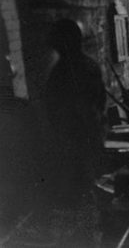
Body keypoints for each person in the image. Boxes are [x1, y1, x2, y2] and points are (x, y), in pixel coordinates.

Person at [44, 19, 106, 244]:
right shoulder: (89, 66)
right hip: (87, 140)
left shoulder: (63, 73)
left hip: (73, 143)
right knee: (86, 193)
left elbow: (56, 110)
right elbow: (99, 104)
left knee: (74, 195)